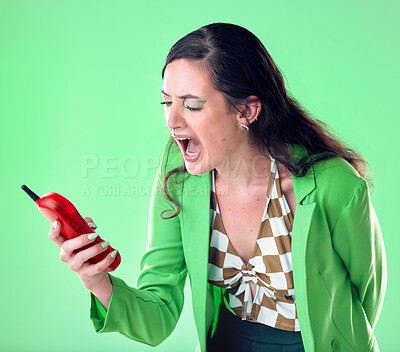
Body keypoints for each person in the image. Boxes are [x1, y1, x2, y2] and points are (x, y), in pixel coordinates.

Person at [48, 23, 387, 352]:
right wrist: (97, 282)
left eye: (192, 104)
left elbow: (364, 296)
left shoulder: (333, 184)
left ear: (246, 110)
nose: (172, 120)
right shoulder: (178, 172)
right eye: (167, 101)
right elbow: (159, 312)